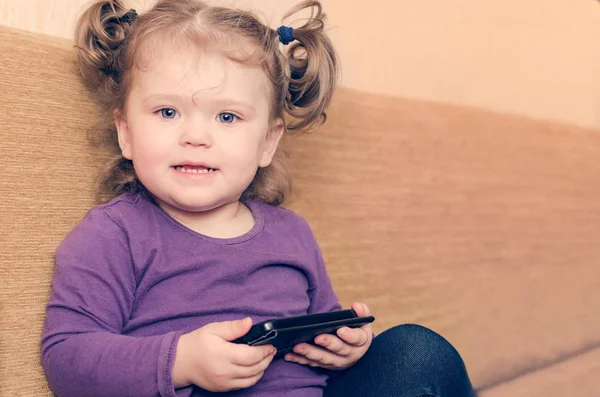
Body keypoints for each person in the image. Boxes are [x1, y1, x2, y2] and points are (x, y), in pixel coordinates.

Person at [41, 1, 476, 396]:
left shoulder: (292, 233)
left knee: (417, 351)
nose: (195, 136)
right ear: (126, 132)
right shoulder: (114, 233)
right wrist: (182, 361)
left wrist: (343, 349)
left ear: (267, 143)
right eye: (168, 112)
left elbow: (317, 332)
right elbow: (66, 357)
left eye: (227, 116)